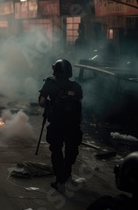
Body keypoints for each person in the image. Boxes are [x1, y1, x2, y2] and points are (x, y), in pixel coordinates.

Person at [38, 59, 83, 193]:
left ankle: (60, 181)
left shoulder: (50, 83)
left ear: (55, 70)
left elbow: (41, 102)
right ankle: (67, 174)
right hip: (73, 125)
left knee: (56, 151)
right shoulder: (76, 86)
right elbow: (79, 102)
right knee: (70, 150)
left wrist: (50, 107)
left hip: (57, 123)